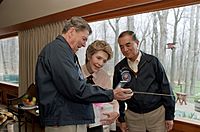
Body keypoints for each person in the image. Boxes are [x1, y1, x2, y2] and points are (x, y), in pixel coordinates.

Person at [35, 17, 133, 132]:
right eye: (83, 39)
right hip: (64, 120)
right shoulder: (58, 51)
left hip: (73, 119)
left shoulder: (65, 53)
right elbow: (77, 89)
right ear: (71, 32)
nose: (84, 44)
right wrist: (112, 93)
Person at [113, 30, 175, 132]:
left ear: (137, 43)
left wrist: (169, 115)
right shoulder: (119, 68)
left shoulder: (153, 62)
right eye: (121, 46)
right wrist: (122, 119)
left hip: (156, 115)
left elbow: (166, 89)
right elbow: (117, 96)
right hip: (133, 117)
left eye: (128, 45)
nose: (125, 49)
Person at [81, 40, 119, 132]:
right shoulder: (76, 73)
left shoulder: (104, 76)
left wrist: (116, 112)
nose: (101, 63)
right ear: (89, 56)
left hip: (97, 123)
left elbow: (112, 98)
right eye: (98, 58)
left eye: (104, 61)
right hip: (79, 123)